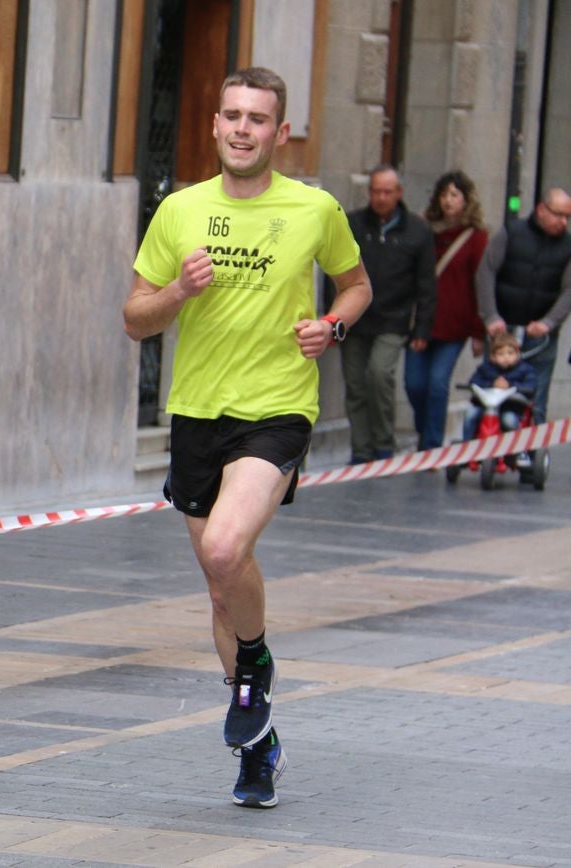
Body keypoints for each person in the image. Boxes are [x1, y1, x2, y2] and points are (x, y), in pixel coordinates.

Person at [122, 67, 371, 809]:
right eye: (230, 114)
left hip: (277, 407)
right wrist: (176, 292)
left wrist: (334, 325)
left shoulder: (314, 208)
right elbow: (135, 317)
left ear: (279, 132)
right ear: (213, 125)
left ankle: (254, 667)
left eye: (257, 118)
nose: (241, 128)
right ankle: (258, 746)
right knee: (219, 578)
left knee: (226, 549)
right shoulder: (180, 210)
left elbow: (356, 285)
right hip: (196, 410)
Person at [341, 166, 436, 463]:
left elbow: (426, 284)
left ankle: (383, 444)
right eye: (376, 191)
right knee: (355, 383)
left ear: (399, 193)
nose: (381, 198)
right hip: (355, 317)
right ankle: (361, 448)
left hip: (393, 318)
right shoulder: (353, 223)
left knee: (379, 374)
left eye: (387, 192)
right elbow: (338, 271)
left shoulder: (418, 230)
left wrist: (422, 328)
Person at [404, 171, 489, 450]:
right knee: (414, 384)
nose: (448, 201)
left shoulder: (476, 237)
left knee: (438, 385)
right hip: (421, 322)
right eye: (444, 195)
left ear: (466, 200)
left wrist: (479, 331)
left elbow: (481, 283)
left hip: (454, 325)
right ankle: (424, 430)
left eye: (454, 195)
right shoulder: (423, 231)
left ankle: (430, 445)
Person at [475, 187, 571, 424]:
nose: (563, 221)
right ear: (541, 209)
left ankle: (530, 450)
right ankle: (489, 449)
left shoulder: (568, 245)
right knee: (494, 392)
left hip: (541, 334)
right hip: (503, 330)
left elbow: (569, 289)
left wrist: (549, 323)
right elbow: (486, 272)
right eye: (558, 214)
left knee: (535, 397)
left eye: (567, 217)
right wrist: (490, 317)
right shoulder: (512, 232)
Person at [462, 331, 537, 439]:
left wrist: (510, 385)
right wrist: (492, 384)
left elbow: (531, 387)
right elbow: (473, 383)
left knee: (508, 420)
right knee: (470, 414)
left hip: (511, 408)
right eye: (501, 354)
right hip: (485, 407)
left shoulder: (525, 370)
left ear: (517, 354)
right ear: (493, 356)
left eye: (510, 353)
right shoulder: (486, 368)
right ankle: (467, 445)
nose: (506, 357)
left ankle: (516, 450)